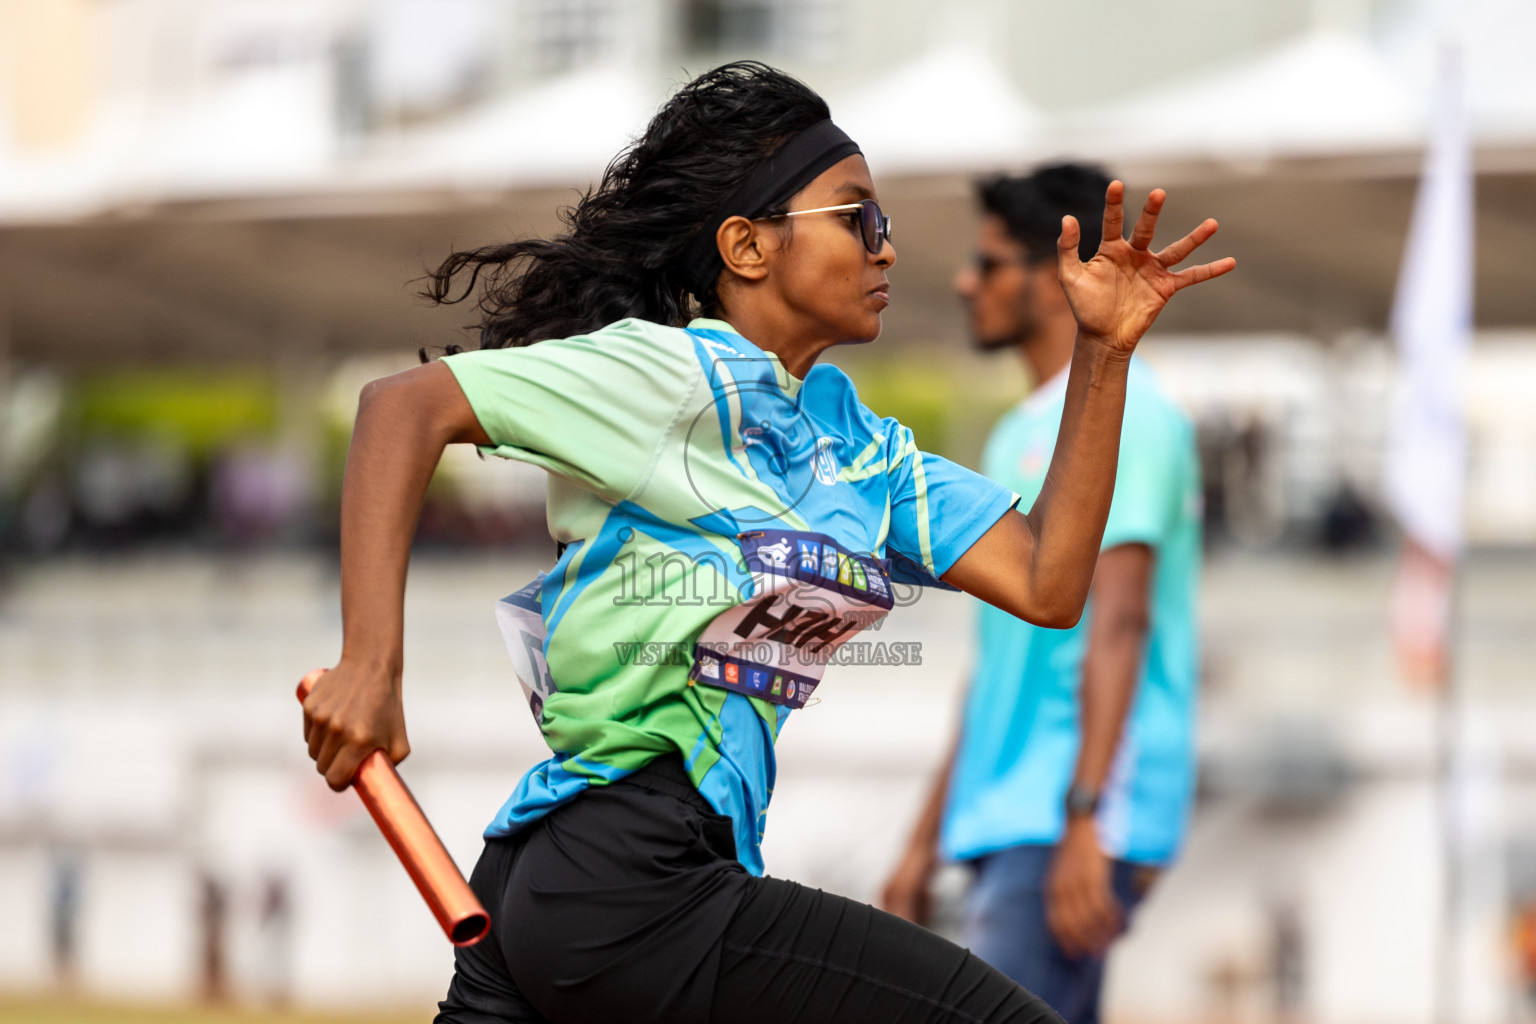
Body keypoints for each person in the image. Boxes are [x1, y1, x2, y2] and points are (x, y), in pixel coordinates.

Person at [300, 65, 1232, 1024]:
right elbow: (402, 408)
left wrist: (1104, 355)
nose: (891, 251)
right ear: (747, 246)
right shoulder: (666, 372)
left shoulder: (865, 452)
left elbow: (1048, 582)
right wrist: (372, 664)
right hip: (624, 875)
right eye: (859, 219)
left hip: (598, 888)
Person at [881, 163, 1205, 1024]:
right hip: (1005, 815)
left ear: (1056, 275)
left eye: (987, 264)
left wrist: (1089, 819)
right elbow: (994, 669)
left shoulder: (1127, 415)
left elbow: (1121, 622)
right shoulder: (1017, 431)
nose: (962, 282)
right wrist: (923, 841)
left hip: (1068, 814)